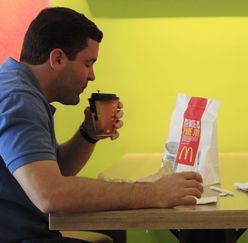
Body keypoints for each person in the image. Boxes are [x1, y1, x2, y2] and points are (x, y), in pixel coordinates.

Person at [0, 7, 203, 242]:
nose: (92, 75)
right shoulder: (17, 100)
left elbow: (54, 173)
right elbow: (51, 194)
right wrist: (154, 192)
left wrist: (88, 134)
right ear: (57, 58)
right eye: (88, 63)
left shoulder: (21, 90)